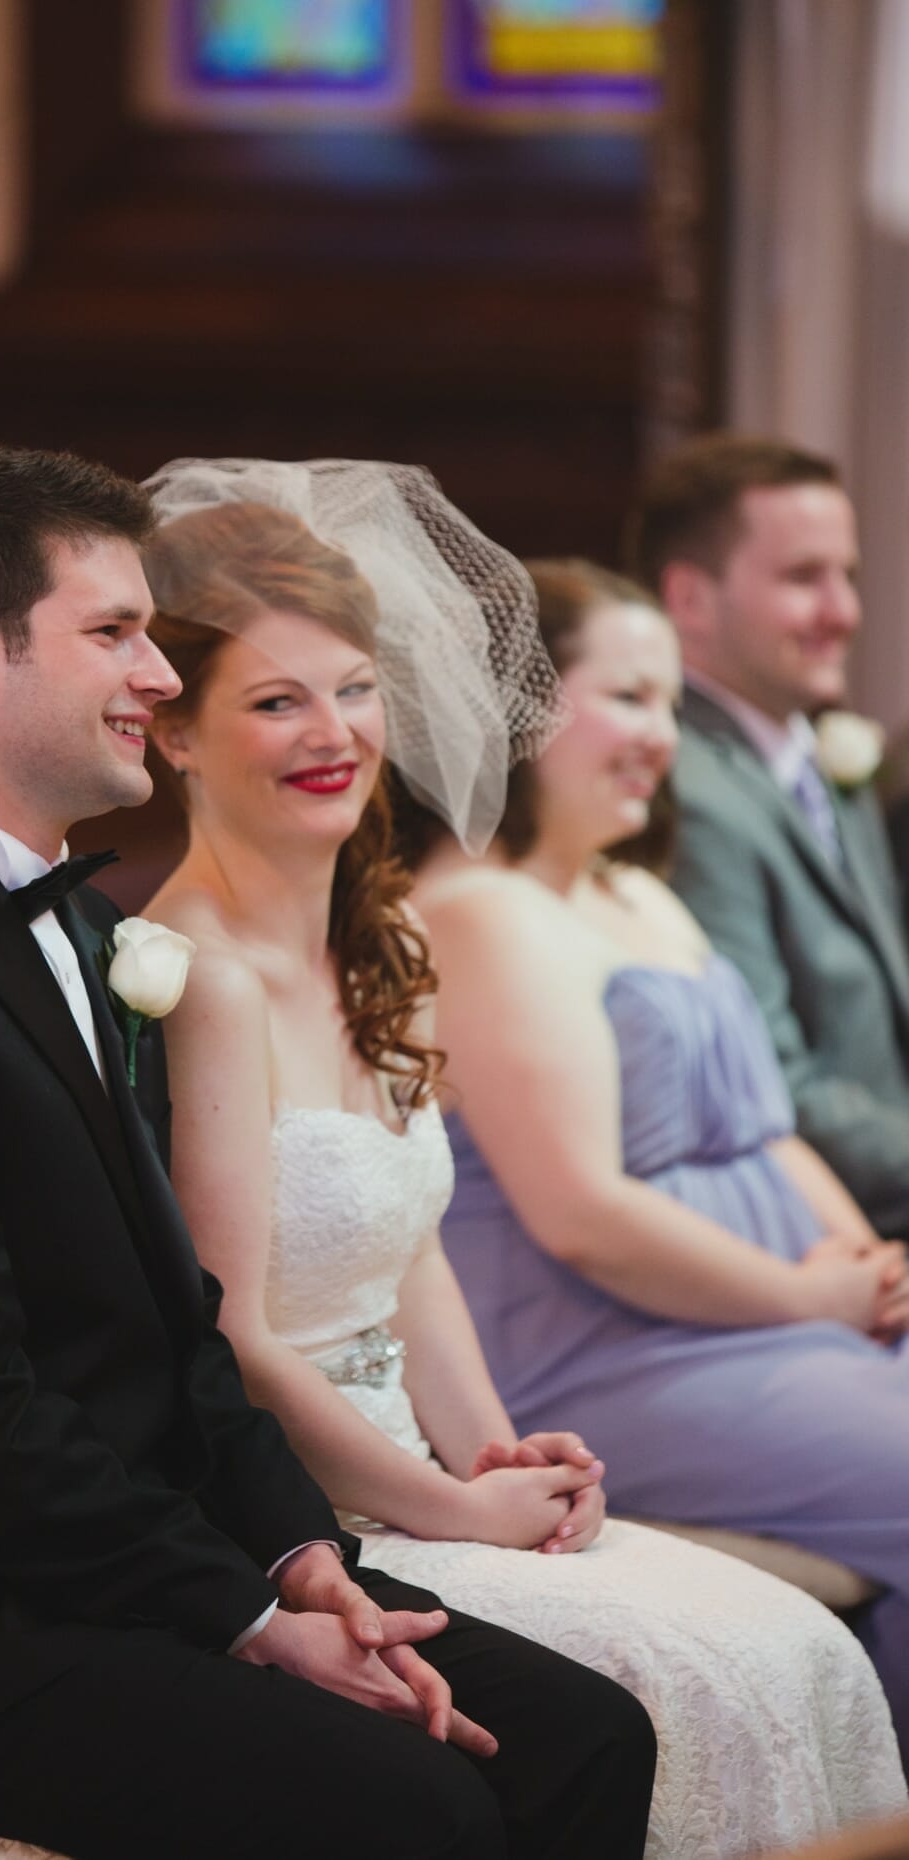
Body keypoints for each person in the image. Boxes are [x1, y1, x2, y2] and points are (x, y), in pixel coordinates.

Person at [0, 442, 658, 1860]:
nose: (157, 674)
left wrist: (300, 1558)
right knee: (424, 1811)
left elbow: (179, 1325)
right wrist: (247, 1620)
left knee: (588, 1738)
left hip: (114, 1555)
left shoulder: (81, 925)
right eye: (114, 634)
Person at [135, 459, 906, 1858]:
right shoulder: (192, 980)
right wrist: (452, 1505)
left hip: (426, 1461)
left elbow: (412, 1244)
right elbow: (230, 1335)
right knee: (693, 1688)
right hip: (298, 1508)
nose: (334, 733)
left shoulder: (381, 939)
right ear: (175, 735)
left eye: (357, 688)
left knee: (795, 1653)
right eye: (274, 700)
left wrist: (502, 1451)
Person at [411, 553, 909, 1771]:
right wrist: (811, 1296)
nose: (658, 737)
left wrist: (866, 1264)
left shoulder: (638, 894)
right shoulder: (481, 911)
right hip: (610, 1341)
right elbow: (582, 1213)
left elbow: (765, 1129)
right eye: (626, 698)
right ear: (522, 711)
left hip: (763, 1317)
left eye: (668, 704)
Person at [627, 433, 909, 1238]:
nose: (843, 612)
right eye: (803, 578)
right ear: (689, 598)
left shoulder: (816, 757)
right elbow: (771, 1084)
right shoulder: (683, 789)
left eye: (848, 577)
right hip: (804, 1230)